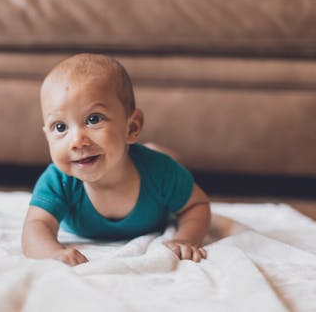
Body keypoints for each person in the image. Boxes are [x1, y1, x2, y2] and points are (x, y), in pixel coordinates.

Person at [21, 53, 211, 266]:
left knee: (166, 161)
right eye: (60, 127)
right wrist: (53, 252)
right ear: (46, 134)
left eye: (93, 120)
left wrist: (185, 238)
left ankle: (157, 150)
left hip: (154, 164)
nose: (76, 141)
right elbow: (35, 226)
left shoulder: (160, 172)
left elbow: (197, 206)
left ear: (132, 127)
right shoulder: (58, 181)